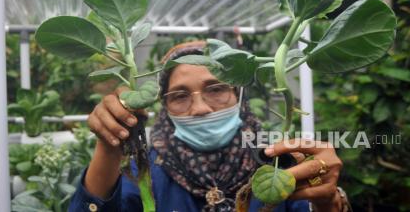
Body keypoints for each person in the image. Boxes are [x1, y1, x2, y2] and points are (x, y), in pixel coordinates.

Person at [69, 41, 349, 212]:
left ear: (239, 95)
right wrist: (108, 148)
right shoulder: (144, 173)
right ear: (164, 108)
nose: (200, 108)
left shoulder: (281, 163)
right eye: (179, 95)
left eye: (215, 89)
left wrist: (329, 203)